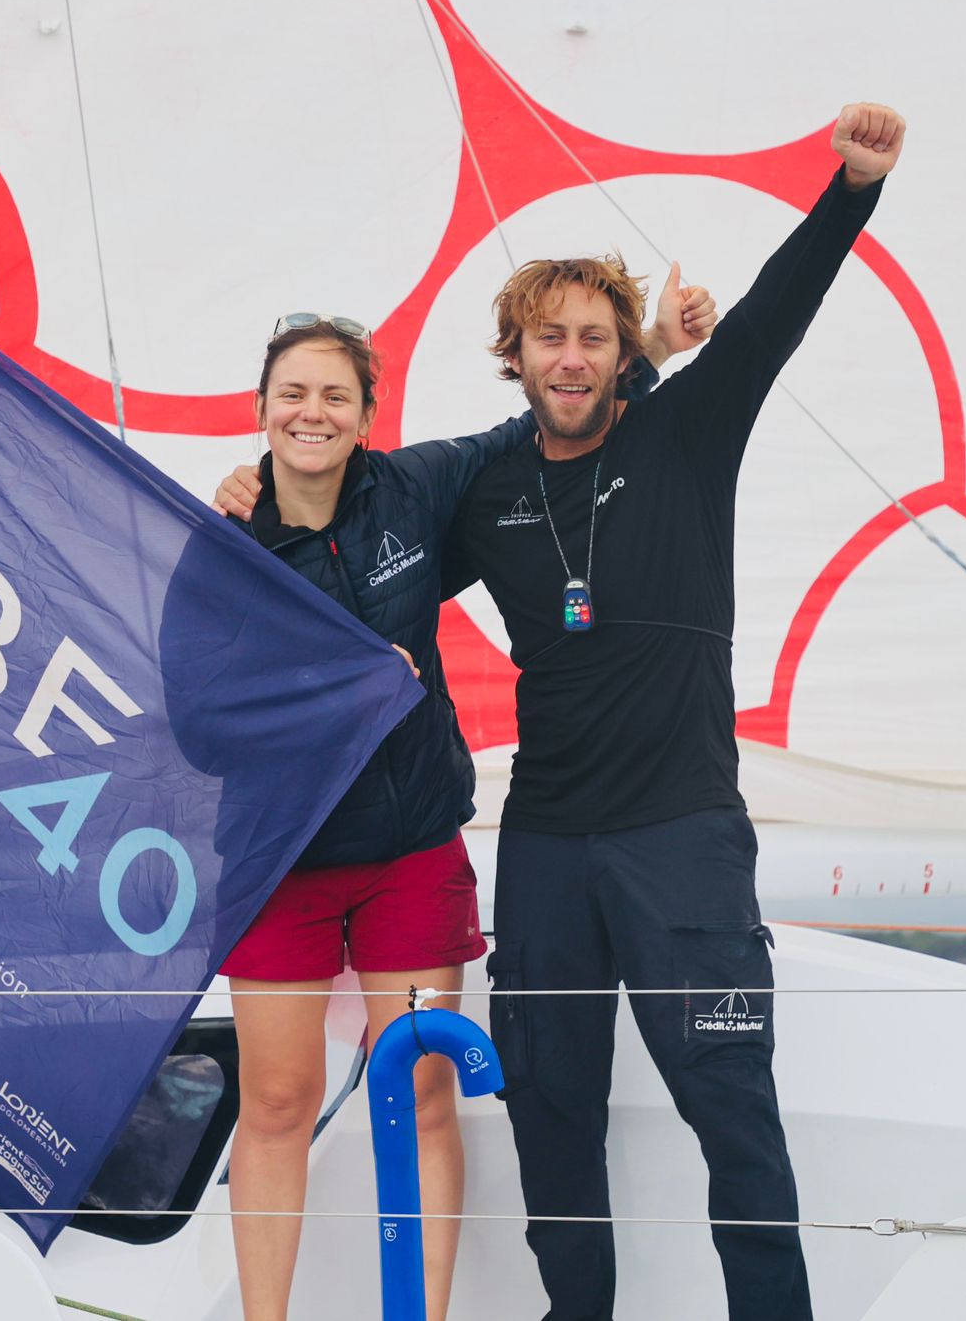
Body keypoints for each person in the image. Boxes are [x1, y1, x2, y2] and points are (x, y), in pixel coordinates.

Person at [438, 102, 906, 1321]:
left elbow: (770, 316)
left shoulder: (687, 434)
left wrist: (851, 189)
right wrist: (260, 497)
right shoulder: (485, 489)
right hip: (544, 845)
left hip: (682, 838)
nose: (571, 357)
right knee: (548, 1112)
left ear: (622, 355)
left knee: (729, 1107)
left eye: (593, 337)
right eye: (549, 337)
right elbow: (365, 567)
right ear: (514, 355)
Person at [213, 280, 716, 1321]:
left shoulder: (415, 487)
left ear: (367, 413)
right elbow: (195, 723)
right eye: (292, 394)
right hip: (280, 860)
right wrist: (335, 694)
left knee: (420, 1090)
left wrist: (656, 347)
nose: (312, 413)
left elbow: (535, 421)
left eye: (336, 395)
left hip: (407, 852)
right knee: (276, 1102)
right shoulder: (224, 541)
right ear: (260, 408)